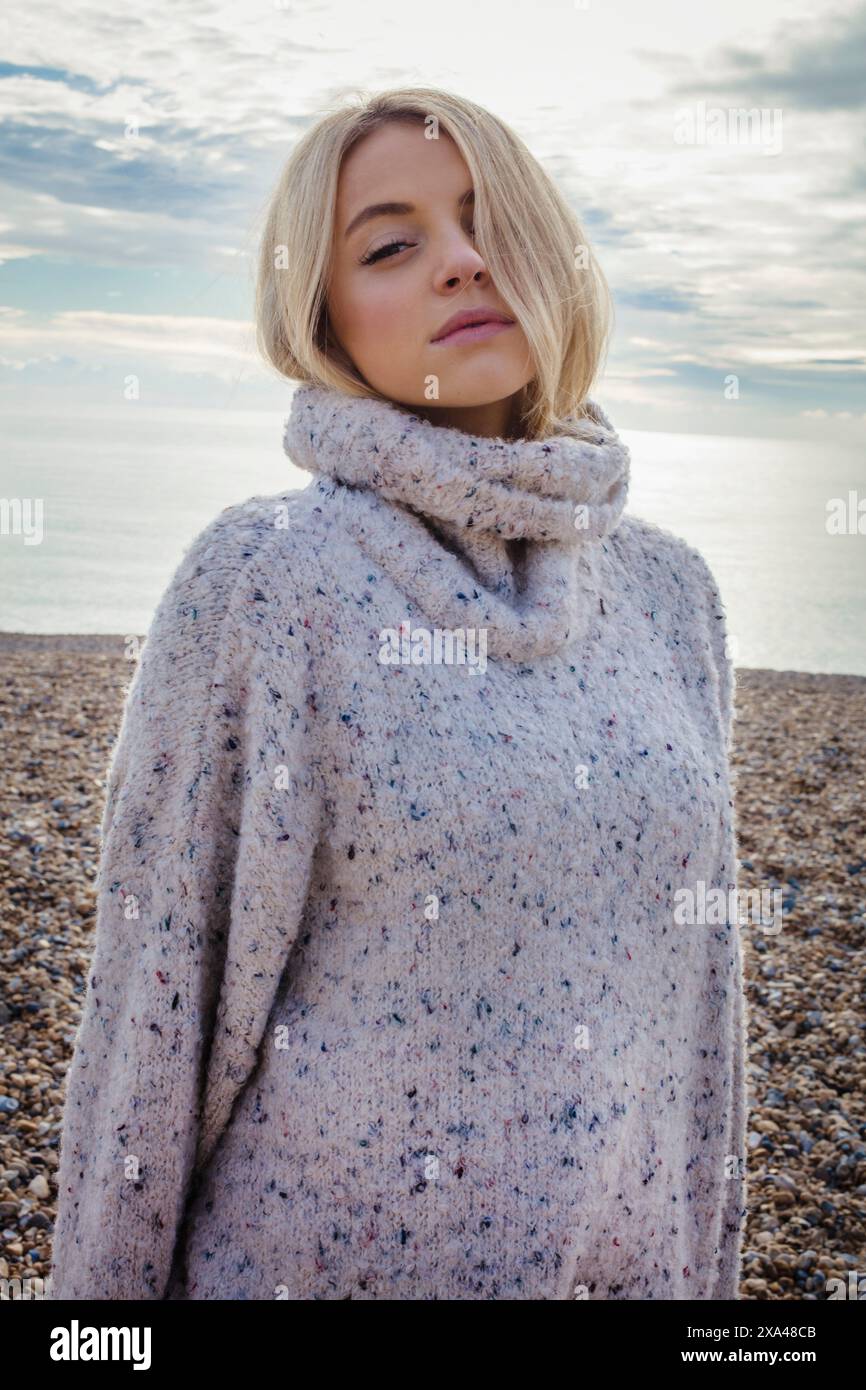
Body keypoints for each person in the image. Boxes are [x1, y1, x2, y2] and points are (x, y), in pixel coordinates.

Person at [49, 86, 747, 1301]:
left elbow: (697, 1022)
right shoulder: (267, 580)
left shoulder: (668, 592)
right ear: (321, 319)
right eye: (390, 243)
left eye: (489, 222)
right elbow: (152, 1022)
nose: (463, 263)